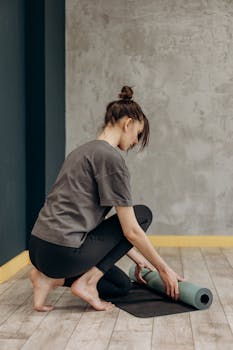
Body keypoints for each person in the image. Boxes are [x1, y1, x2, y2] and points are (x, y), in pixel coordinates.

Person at [29, 85, 184, 312]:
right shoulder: (111, 158)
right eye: (137, 134)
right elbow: (131, 229)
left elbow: (94, 222)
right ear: (127, 123)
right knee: (142, 214)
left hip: (38, 247)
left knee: (119, 285)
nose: (135, 142)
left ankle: (49, 279)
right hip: (63, 252)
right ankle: (87, 282)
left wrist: (134, 255)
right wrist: (163, 268)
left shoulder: (82, 151)